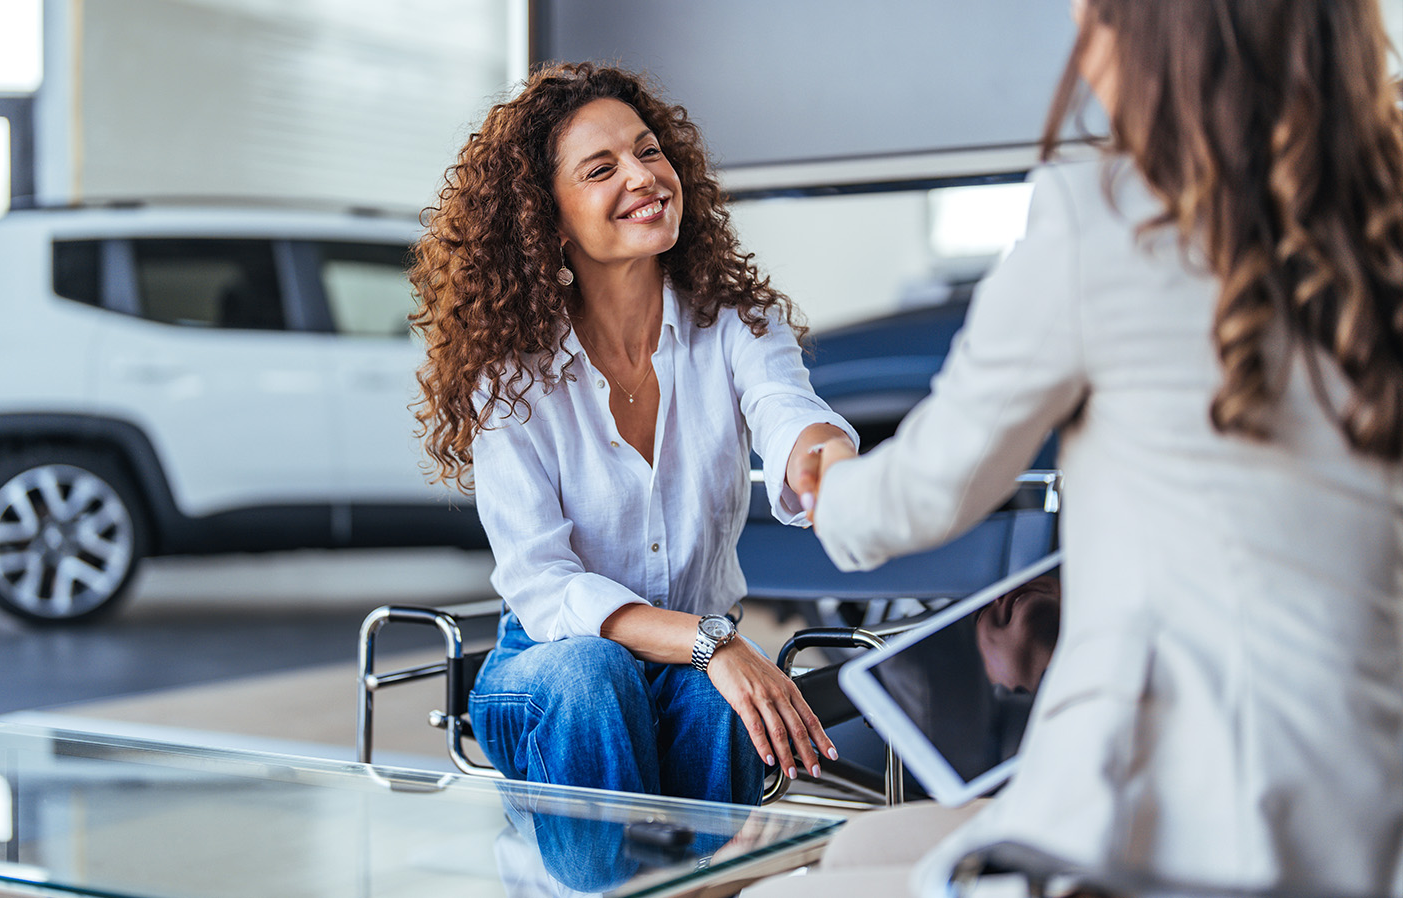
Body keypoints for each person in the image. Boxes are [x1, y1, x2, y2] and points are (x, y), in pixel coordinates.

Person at [756, 0, 1403, 894]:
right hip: (1367, 795)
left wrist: (828, 484)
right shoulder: (1379, 214)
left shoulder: (1109, 218)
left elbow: (922, 494)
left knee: (787, 888)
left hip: (1189, 820)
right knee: (863, 847)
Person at [408, 62, 857, 805]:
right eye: (601, 168)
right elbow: (544, 585)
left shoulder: (736, 325)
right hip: (548, 670)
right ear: (545, 216)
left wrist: (827, 462)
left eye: (650, 151)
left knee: (723, 703)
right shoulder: (512, 372)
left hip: (696, 665)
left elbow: (788, 412)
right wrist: (713, 642)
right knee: (595, 673)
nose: (645, 176)